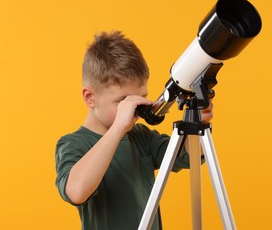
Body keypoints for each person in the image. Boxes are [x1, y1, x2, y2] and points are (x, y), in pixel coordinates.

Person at [55, 31, 214, 230]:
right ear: (90, 97)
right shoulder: (73, 144)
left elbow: (188, 155)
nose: (133, 109)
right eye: (123, 101)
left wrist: (196, 121)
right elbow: (76, 192)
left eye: (140, 98)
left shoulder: (141, 137)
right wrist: (118, 129)